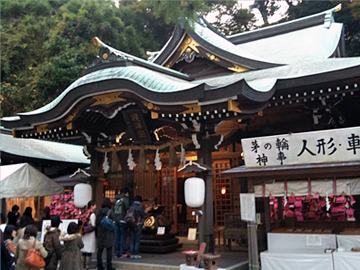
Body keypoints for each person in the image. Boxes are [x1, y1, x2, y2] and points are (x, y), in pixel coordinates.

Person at [128, 195, 151, 260]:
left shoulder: (131, 206)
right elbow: (143, 215)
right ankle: (136, 254)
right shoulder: (139, 207)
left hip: (131, 225)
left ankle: (132, 254)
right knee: (137, 240)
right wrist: (146, 211)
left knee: (132, 240)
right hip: (138, 224)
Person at [96, 198, 115, 270]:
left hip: (101, 232)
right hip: (109, 233)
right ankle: (109, 266)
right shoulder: (111, 212)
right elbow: (114, 222)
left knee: (99, 250)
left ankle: (99, 265)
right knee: (109, 250)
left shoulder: (99, 212)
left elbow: (96, 223)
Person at [113, 187, 130, 258]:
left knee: (117, 236)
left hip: (116, 219)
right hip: (122, 219)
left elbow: (113, 208)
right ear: (127, 193)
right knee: (123, 236)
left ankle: (116, 252)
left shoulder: (116, 199)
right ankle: (123, 252)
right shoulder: (125, 199)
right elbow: (127, 209)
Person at [81, 200, 96, 269]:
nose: (95, 206)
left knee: (84, 249)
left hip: (84, 232)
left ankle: (82, 264)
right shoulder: (92, 214)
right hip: (90, 233)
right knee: (89, 250)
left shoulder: (86, 213)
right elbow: (93, 225)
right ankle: (87, 265)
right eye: (94, 205)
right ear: (92, 206)